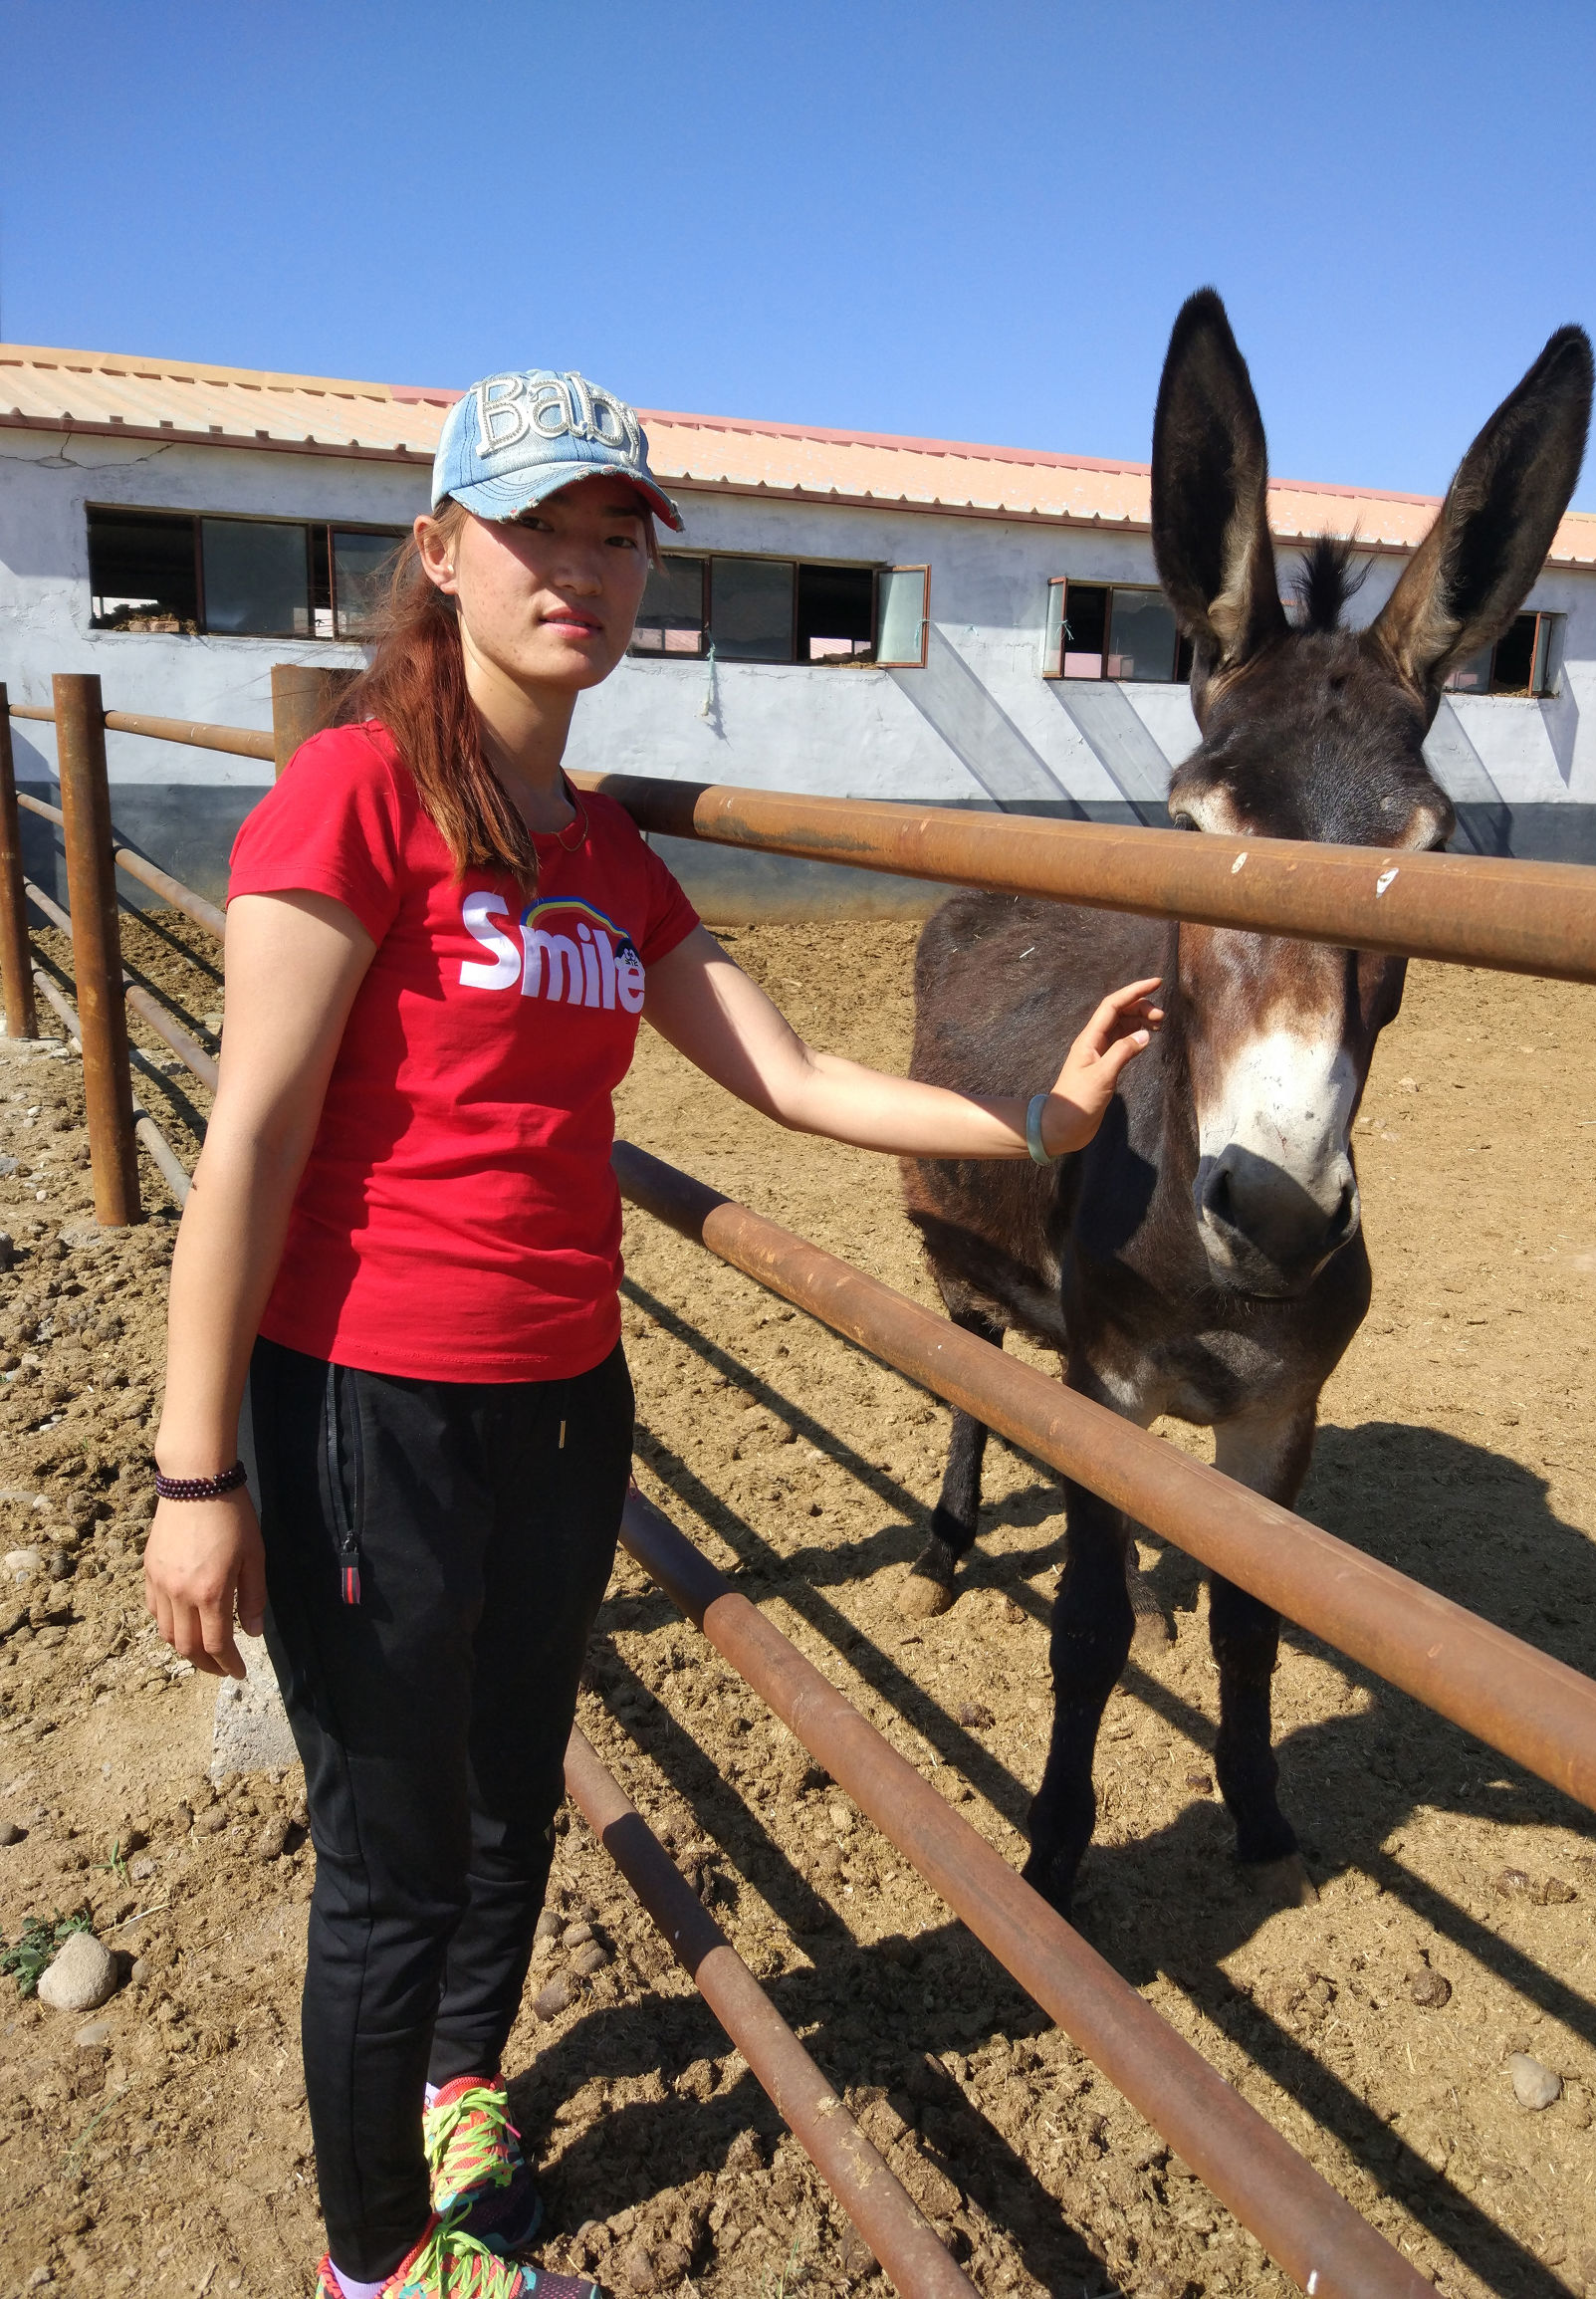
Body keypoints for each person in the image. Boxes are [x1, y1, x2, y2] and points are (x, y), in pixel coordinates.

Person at [143, 365, 1162, 2299]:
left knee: (517, 1788)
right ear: (443, 552)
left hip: (561, 1406)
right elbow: (250, 1141)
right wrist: (197, 1474)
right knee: (389, 1850)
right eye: (540, 529)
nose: (583, 572)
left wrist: (1035, 1119)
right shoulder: (354, 791)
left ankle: (464, 2082)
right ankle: (381, 2269)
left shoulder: (605, 850)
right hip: (369, 1403)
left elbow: (781, 1072)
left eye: (617, 536)